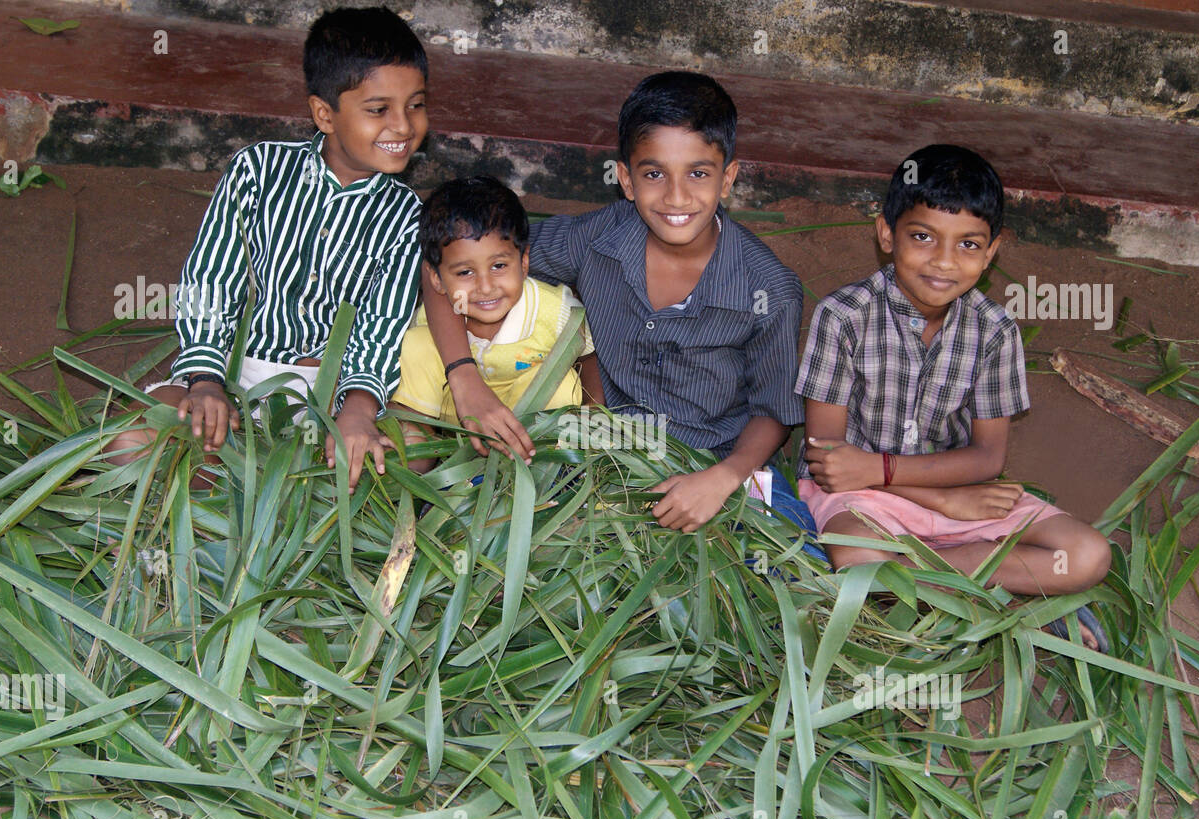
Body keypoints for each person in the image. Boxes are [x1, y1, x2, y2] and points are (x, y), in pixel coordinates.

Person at [419, 71, 815, 536]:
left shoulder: (769, 289)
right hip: (595, 447)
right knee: (465, 520)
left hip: (715, 459)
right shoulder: (598, 239)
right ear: (625, 179)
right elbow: (449, 264)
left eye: (698, 173)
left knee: (795, 552)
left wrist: (722, 478)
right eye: (653, 174)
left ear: (727, 177)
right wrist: (463, 376)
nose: (676, 196)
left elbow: (773, 411)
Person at [797, 144, 1113, 650]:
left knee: (1087, 554)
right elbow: (829, 461)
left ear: (992, 252)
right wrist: (939, 498)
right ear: (886, 233)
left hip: (956, 492)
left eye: (968, 245)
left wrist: (931, 490)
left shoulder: (995, 332)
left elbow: (989, 456)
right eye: (923, 237)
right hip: (860, 497)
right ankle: (1006, 602)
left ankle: (918, 585)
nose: (944, 261)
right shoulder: (843, 317)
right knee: (857, 557)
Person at [107, 6, 428, 494]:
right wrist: (207, 383)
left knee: (413, 454)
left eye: (416, 105)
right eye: (379, 110)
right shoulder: (258, 171)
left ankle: (251, 489)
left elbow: (382, 326)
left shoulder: (406, 216)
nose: (403, 127)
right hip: (236, 371)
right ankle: (249, 488)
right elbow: (211, 281)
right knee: (129, 441)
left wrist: (359, 411)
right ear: (324, 114)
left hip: (331, 391)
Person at [391, 176, 602, 473]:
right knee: (417, 344)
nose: (486, 287)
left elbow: (588, 356)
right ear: (436, 279)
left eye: (499, 266)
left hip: (525, 422)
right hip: (455, 424)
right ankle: (417, 459)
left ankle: (536, 470)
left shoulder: (555, 310)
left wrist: (593, 412)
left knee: (564, 384)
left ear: (524, 261)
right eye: (465, 272)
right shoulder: (432, 317)